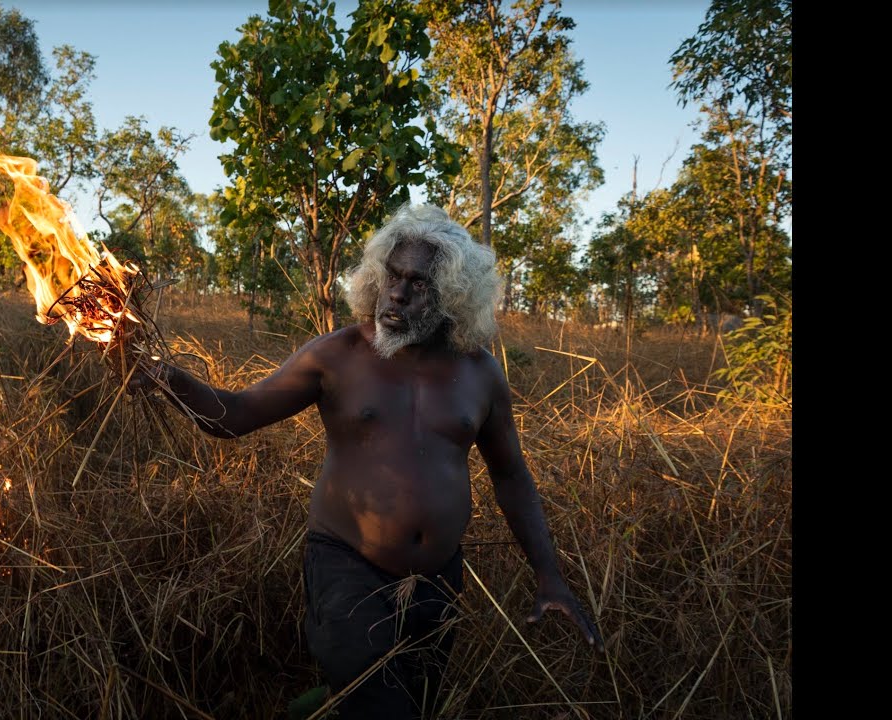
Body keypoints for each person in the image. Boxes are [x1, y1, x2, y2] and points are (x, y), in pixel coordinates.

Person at [130, 203, 603, 719]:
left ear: (452, 296)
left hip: (438, 581)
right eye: (392, 276)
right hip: (346, 565)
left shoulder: (479, 373)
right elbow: (235, 415)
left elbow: (510, 475)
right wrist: (166, 376)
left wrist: (549, 576)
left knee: (414, 702)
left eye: (419, 283)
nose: (396, 293)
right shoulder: (337, 355)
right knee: (382, 705)